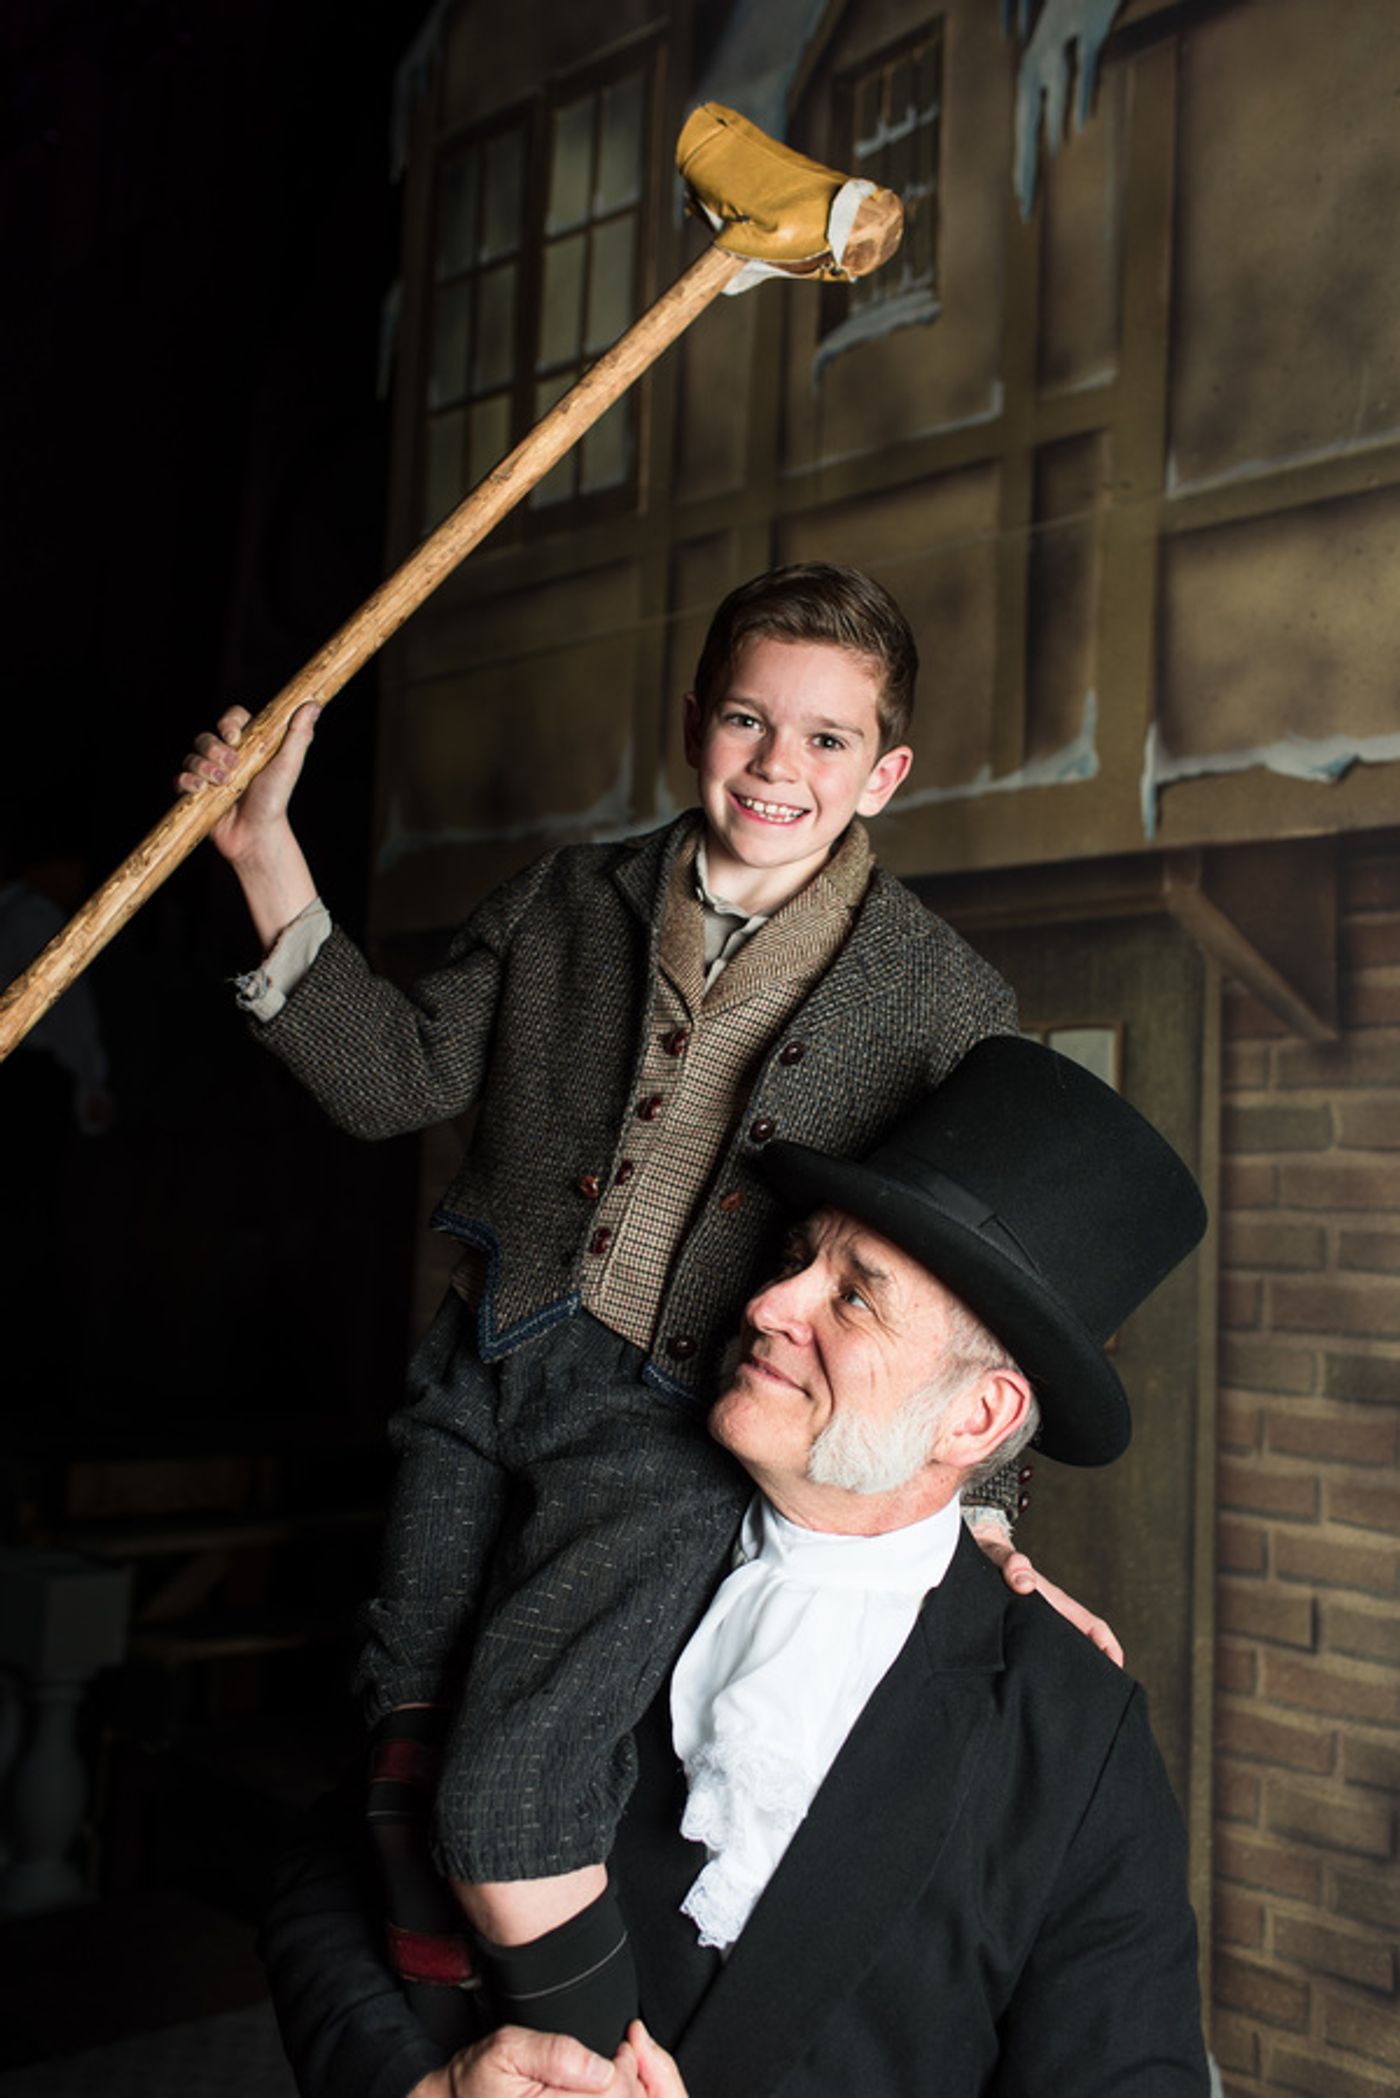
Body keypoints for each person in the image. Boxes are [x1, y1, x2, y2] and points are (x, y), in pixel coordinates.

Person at [178, 563, 1030, 2050]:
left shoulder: (942, 998)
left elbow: (982, 1273)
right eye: (748, 721)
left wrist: (992, 1510)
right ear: (694, 721)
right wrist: (264, 856)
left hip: (676, 1420)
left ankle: (587, 2066)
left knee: (511, 1795)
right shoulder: (567, 898)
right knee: (399, 1739)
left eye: (827, 738)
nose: (777, 765)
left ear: (884, 773)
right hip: (485, 1360)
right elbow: (395, 1081)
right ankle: (449, 2048)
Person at [260, 1036, 1211, 2098]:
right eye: (797, 1257)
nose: (769, 1303)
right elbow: (330, 1866)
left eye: (853, 1298)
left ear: (976, 1418)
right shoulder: (584, 1544)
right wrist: (413, 2090)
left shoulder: (1076, 1736)